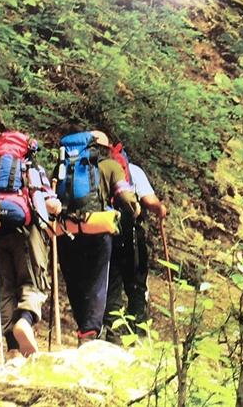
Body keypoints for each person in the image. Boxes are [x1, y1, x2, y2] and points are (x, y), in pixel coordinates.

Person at [0, 126, 61, 361]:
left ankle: (12, 350)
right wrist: (56, 205)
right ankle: (24, 321)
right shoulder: (30, 167)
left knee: (4, 288)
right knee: (33, 282)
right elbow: (49, 203)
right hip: (26, 233)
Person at [57, 130, 140, 346]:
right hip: (97, 229)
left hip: (67, 231)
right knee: (97, 280)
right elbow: (124, 196)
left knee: (75, 281)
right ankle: (89, 332)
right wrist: (133, 210)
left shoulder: (64, 166)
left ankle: (84, 327)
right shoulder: (112, 166)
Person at [104, 162, 168, 344]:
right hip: (129, 231)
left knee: (111, 285)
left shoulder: (91, 167)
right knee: (137, 285)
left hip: (100, 231)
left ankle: (111, 337)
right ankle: (138, 336)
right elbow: (149, 201)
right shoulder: (130, 169)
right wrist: (161, 209)